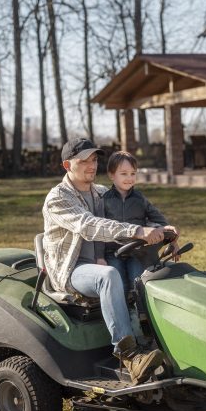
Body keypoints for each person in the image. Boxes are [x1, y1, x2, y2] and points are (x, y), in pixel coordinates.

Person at [42, 137, 171, 386]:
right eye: (84, 161)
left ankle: (153, 337)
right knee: (109, 275)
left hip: (102, 261)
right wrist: (136, 230)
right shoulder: (58, 199)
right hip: (72, 269)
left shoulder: (101, 192)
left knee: (151, 273)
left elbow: (134, 210)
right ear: (67, 166)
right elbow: (89, 226)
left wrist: (162, 228)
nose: (92, 165)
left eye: (95, 159)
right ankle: (128, 353)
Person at [100, 150, 179, 293]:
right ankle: (123, 310)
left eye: (133, 173)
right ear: (112, 175)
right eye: (124, 174)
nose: (129, 178)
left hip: (136, 251)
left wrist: (171, 236)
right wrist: (99, 256)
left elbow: (158, 218)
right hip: (112, 252)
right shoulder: (104, 200)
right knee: (117, 284)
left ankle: (138, 311)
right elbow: (98, 230)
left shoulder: (139, 199)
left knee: (138, 282)